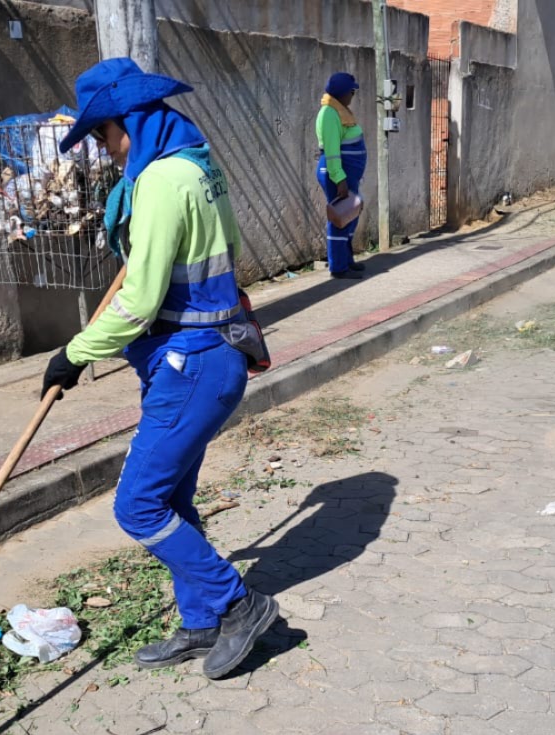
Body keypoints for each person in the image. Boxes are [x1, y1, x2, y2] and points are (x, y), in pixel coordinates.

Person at [41, 58, 278, 680]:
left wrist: (75, 353)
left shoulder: (160, 183)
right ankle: (201, 621)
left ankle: (238, 603)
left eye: (102, 134)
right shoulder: (198, 164)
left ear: (129, 122)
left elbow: (140, 300)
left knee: (139, 506)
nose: (104, 148)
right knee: (173, 498)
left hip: (193, 363)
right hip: (206, 354)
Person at [316, 72, 367, 279]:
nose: (353, 96)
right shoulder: (329, 113)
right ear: (343, 93)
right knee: (339, 218)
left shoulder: (340, 111)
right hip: (336, 174)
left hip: (346, 174)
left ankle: (346, 259)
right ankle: (338, 268)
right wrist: (340, 179)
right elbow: (332, 151)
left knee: (350, 215)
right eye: (352, 92)